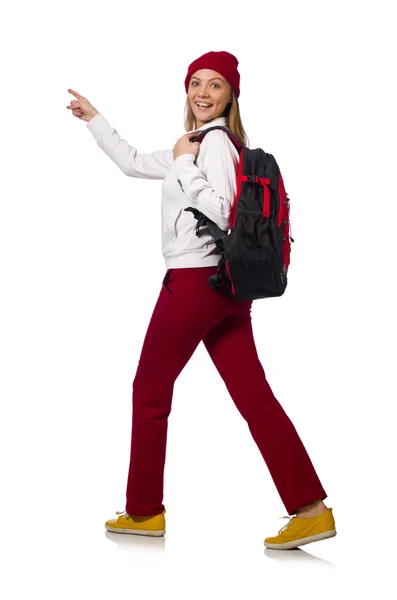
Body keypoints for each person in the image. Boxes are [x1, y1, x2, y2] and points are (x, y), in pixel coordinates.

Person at [66, 50, 337, 550]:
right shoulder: (192, 143)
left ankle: (145, 511)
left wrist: (187, 165)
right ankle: (311, 509)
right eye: (196, 82)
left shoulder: (210, 146)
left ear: (231, 95)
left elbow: (226, 212)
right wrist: (95, 119)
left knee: (149, 389)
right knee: (253, 396)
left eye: (216, 85)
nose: (203, 93)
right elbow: (131, 162)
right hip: (227, 289)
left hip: (196, 282)